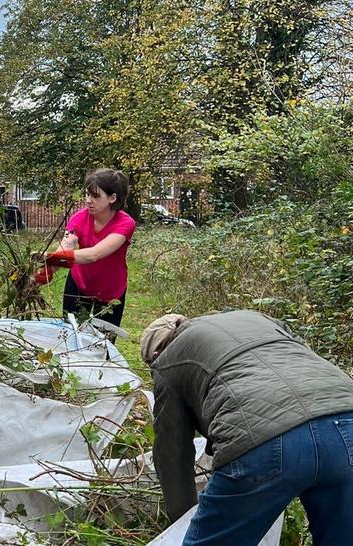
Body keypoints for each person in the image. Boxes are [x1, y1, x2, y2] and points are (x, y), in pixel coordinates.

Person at [141, 310, 353, 546]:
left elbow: (172, 454)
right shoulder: (255, 317)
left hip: (265, 442)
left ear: (156, 353)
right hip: (347, 420)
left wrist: (186, 520)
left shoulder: (168, 361)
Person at [35, 168, 135, 329]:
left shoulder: (125, 224)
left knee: (103, 345)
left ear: (112, 198)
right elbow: (66, 246)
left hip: (111, 291)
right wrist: (45, 272)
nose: (88, 200)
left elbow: (94, 254)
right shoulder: (79, 218)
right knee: (70, 336)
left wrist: (49, 257)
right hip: (78, 284)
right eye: (87, 194)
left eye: (95, 196)